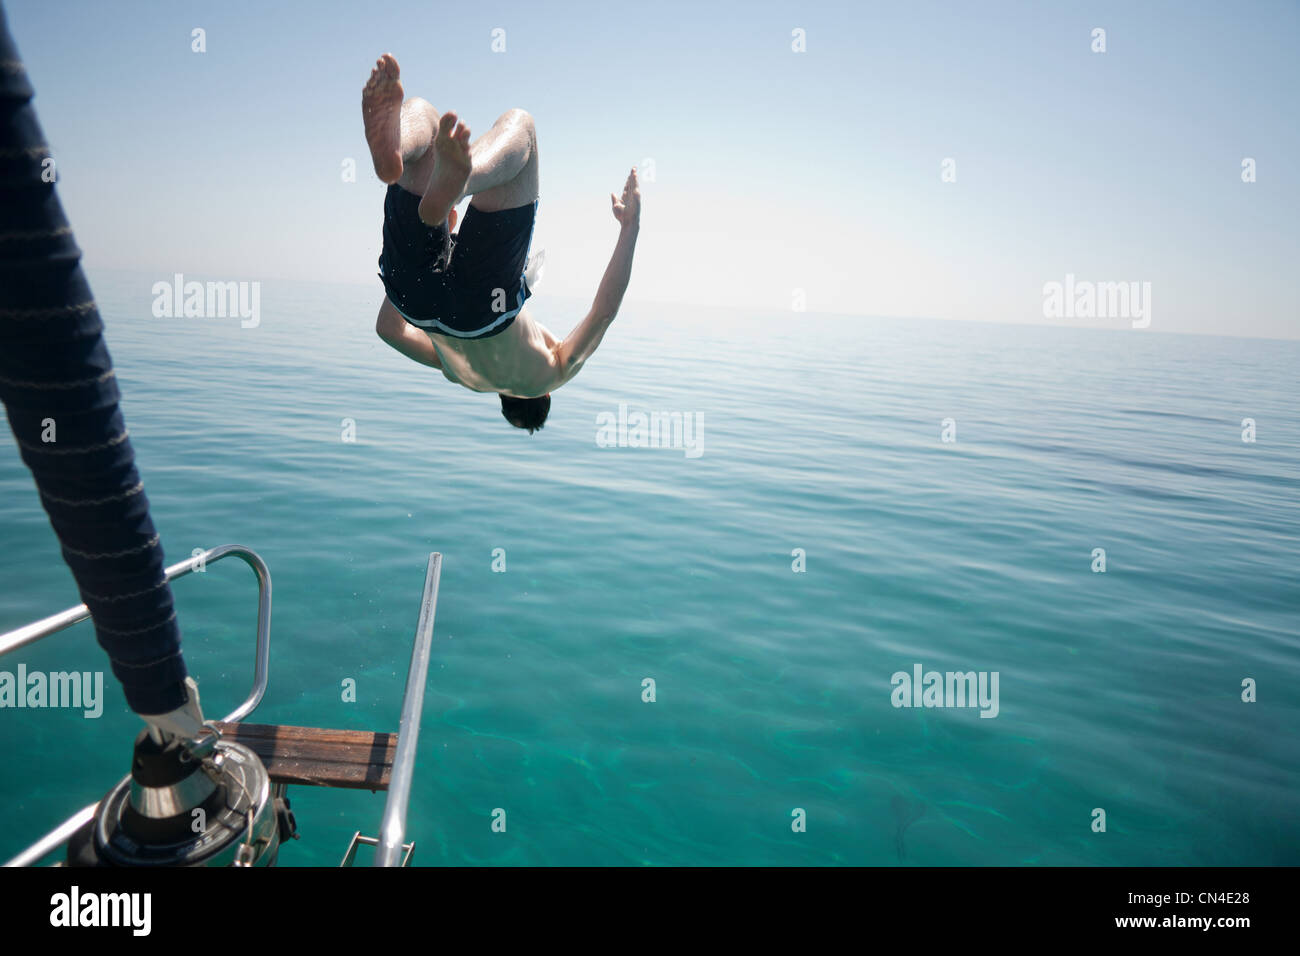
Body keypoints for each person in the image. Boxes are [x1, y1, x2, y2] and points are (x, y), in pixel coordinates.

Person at [362, 54, 641, 433]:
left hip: (489, 308)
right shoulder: (460, 377)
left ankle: (460, 178)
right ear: (502, 399)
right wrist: (434, 238)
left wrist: (630, 227)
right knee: (423, 129)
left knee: (519, 126)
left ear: (541, 397)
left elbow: (604, 312)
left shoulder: (550, 375)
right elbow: (387, 329)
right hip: (413, 299)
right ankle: (398, 158)